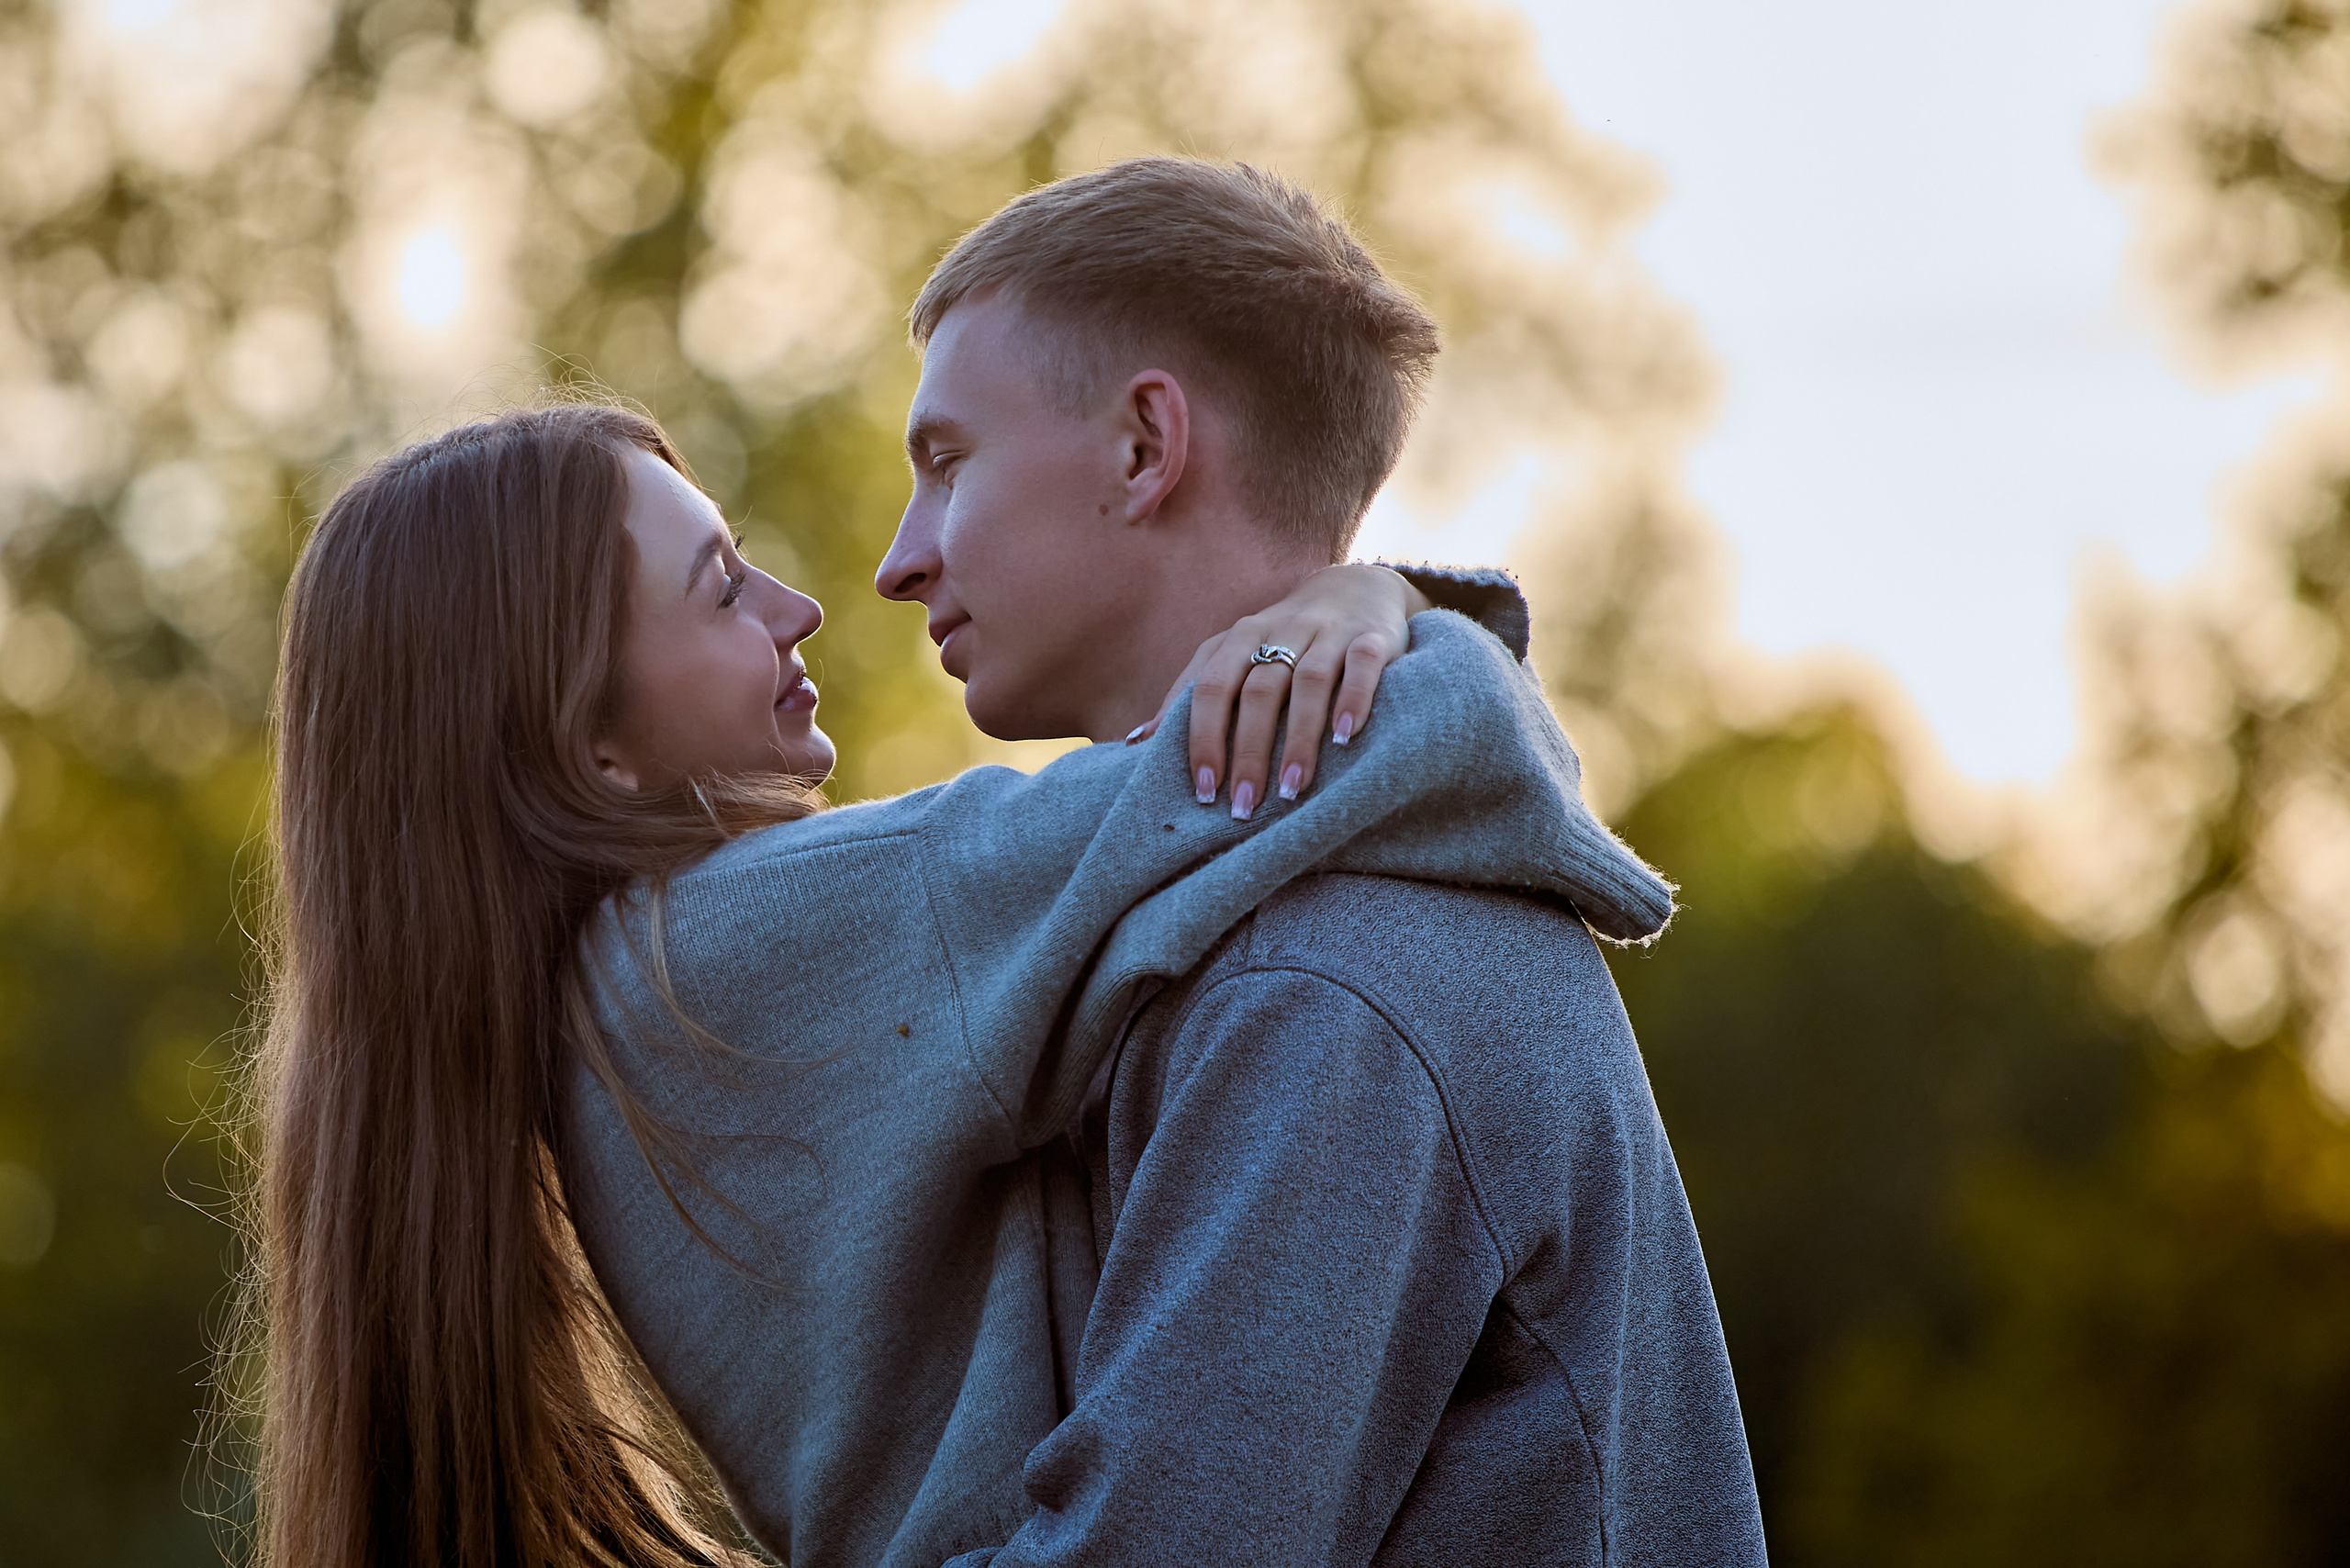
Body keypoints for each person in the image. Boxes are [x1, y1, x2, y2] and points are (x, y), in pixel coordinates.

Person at [241, 397, 1628, 1568]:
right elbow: (1421, 744)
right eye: (723, 589)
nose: (800, 610)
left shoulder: (591, 1015)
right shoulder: (722, 948)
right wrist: (1382, 610)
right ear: (591, 747)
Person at [871, 158, 1768, 1564]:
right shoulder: (1279, 922)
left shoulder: (1325, 982)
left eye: (946, 462)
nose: (899, 559)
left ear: (1141, 447)